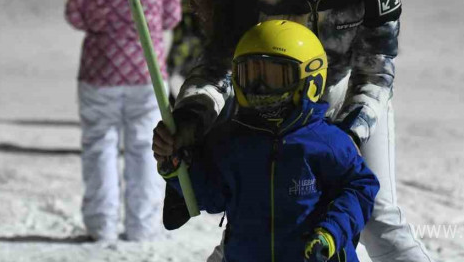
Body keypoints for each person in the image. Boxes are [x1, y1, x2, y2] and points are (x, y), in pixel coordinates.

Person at [153, 0, 433, 262]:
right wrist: (194, 117)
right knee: (257, 207)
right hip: (270, 101)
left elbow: (377, 66)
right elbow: (218, 64)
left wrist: (351, 134)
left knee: (376, 215)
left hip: (346, 90)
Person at [156, 20, 378, 261]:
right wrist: (179, 168)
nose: (259, 88)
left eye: (273, 76)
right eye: (250, 74)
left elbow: (359, 189)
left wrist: (331, 232)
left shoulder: (327, 141)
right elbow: (212, 197)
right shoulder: (231, 141)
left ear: (309, 80)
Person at [65, 0, 181, 241]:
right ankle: (141, 226)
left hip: (99, 74)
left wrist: (102, 22)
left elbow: (74, 14)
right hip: (147, 75)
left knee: (99, 146)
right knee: (144, 150)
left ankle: (100, 225)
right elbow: (173, 16)